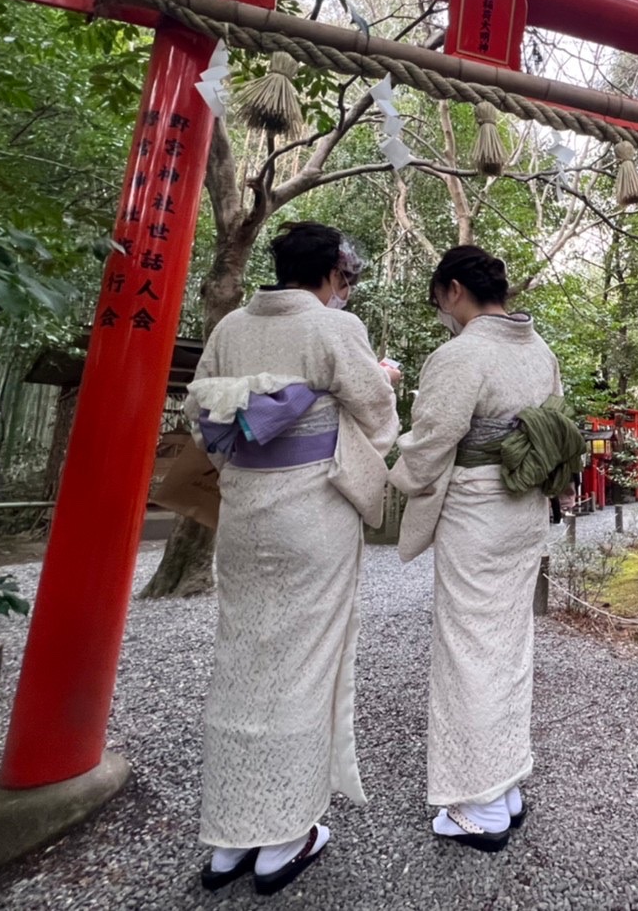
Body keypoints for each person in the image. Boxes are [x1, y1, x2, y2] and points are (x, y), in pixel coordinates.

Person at [188, 222, 399, 895]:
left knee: (241, 660)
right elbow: (378, 420)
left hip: (246, 510)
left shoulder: (229, 330)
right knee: (305, 664)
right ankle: (284, 837)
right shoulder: (337, 330)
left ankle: (229, 840)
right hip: (312, 514)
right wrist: (382, 378)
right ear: (335, 272)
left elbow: (205, 421)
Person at [390, 245, 583, 852]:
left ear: (453, 290)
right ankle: (504, 784)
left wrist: (387, 472)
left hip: (476, 510)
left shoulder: (461, 354)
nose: (443, 315)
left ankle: (478, 804)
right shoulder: (540, 350)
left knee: (469, 647)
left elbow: (433, 444)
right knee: (506, 644)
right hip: (523, 511)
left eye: (440, 303)